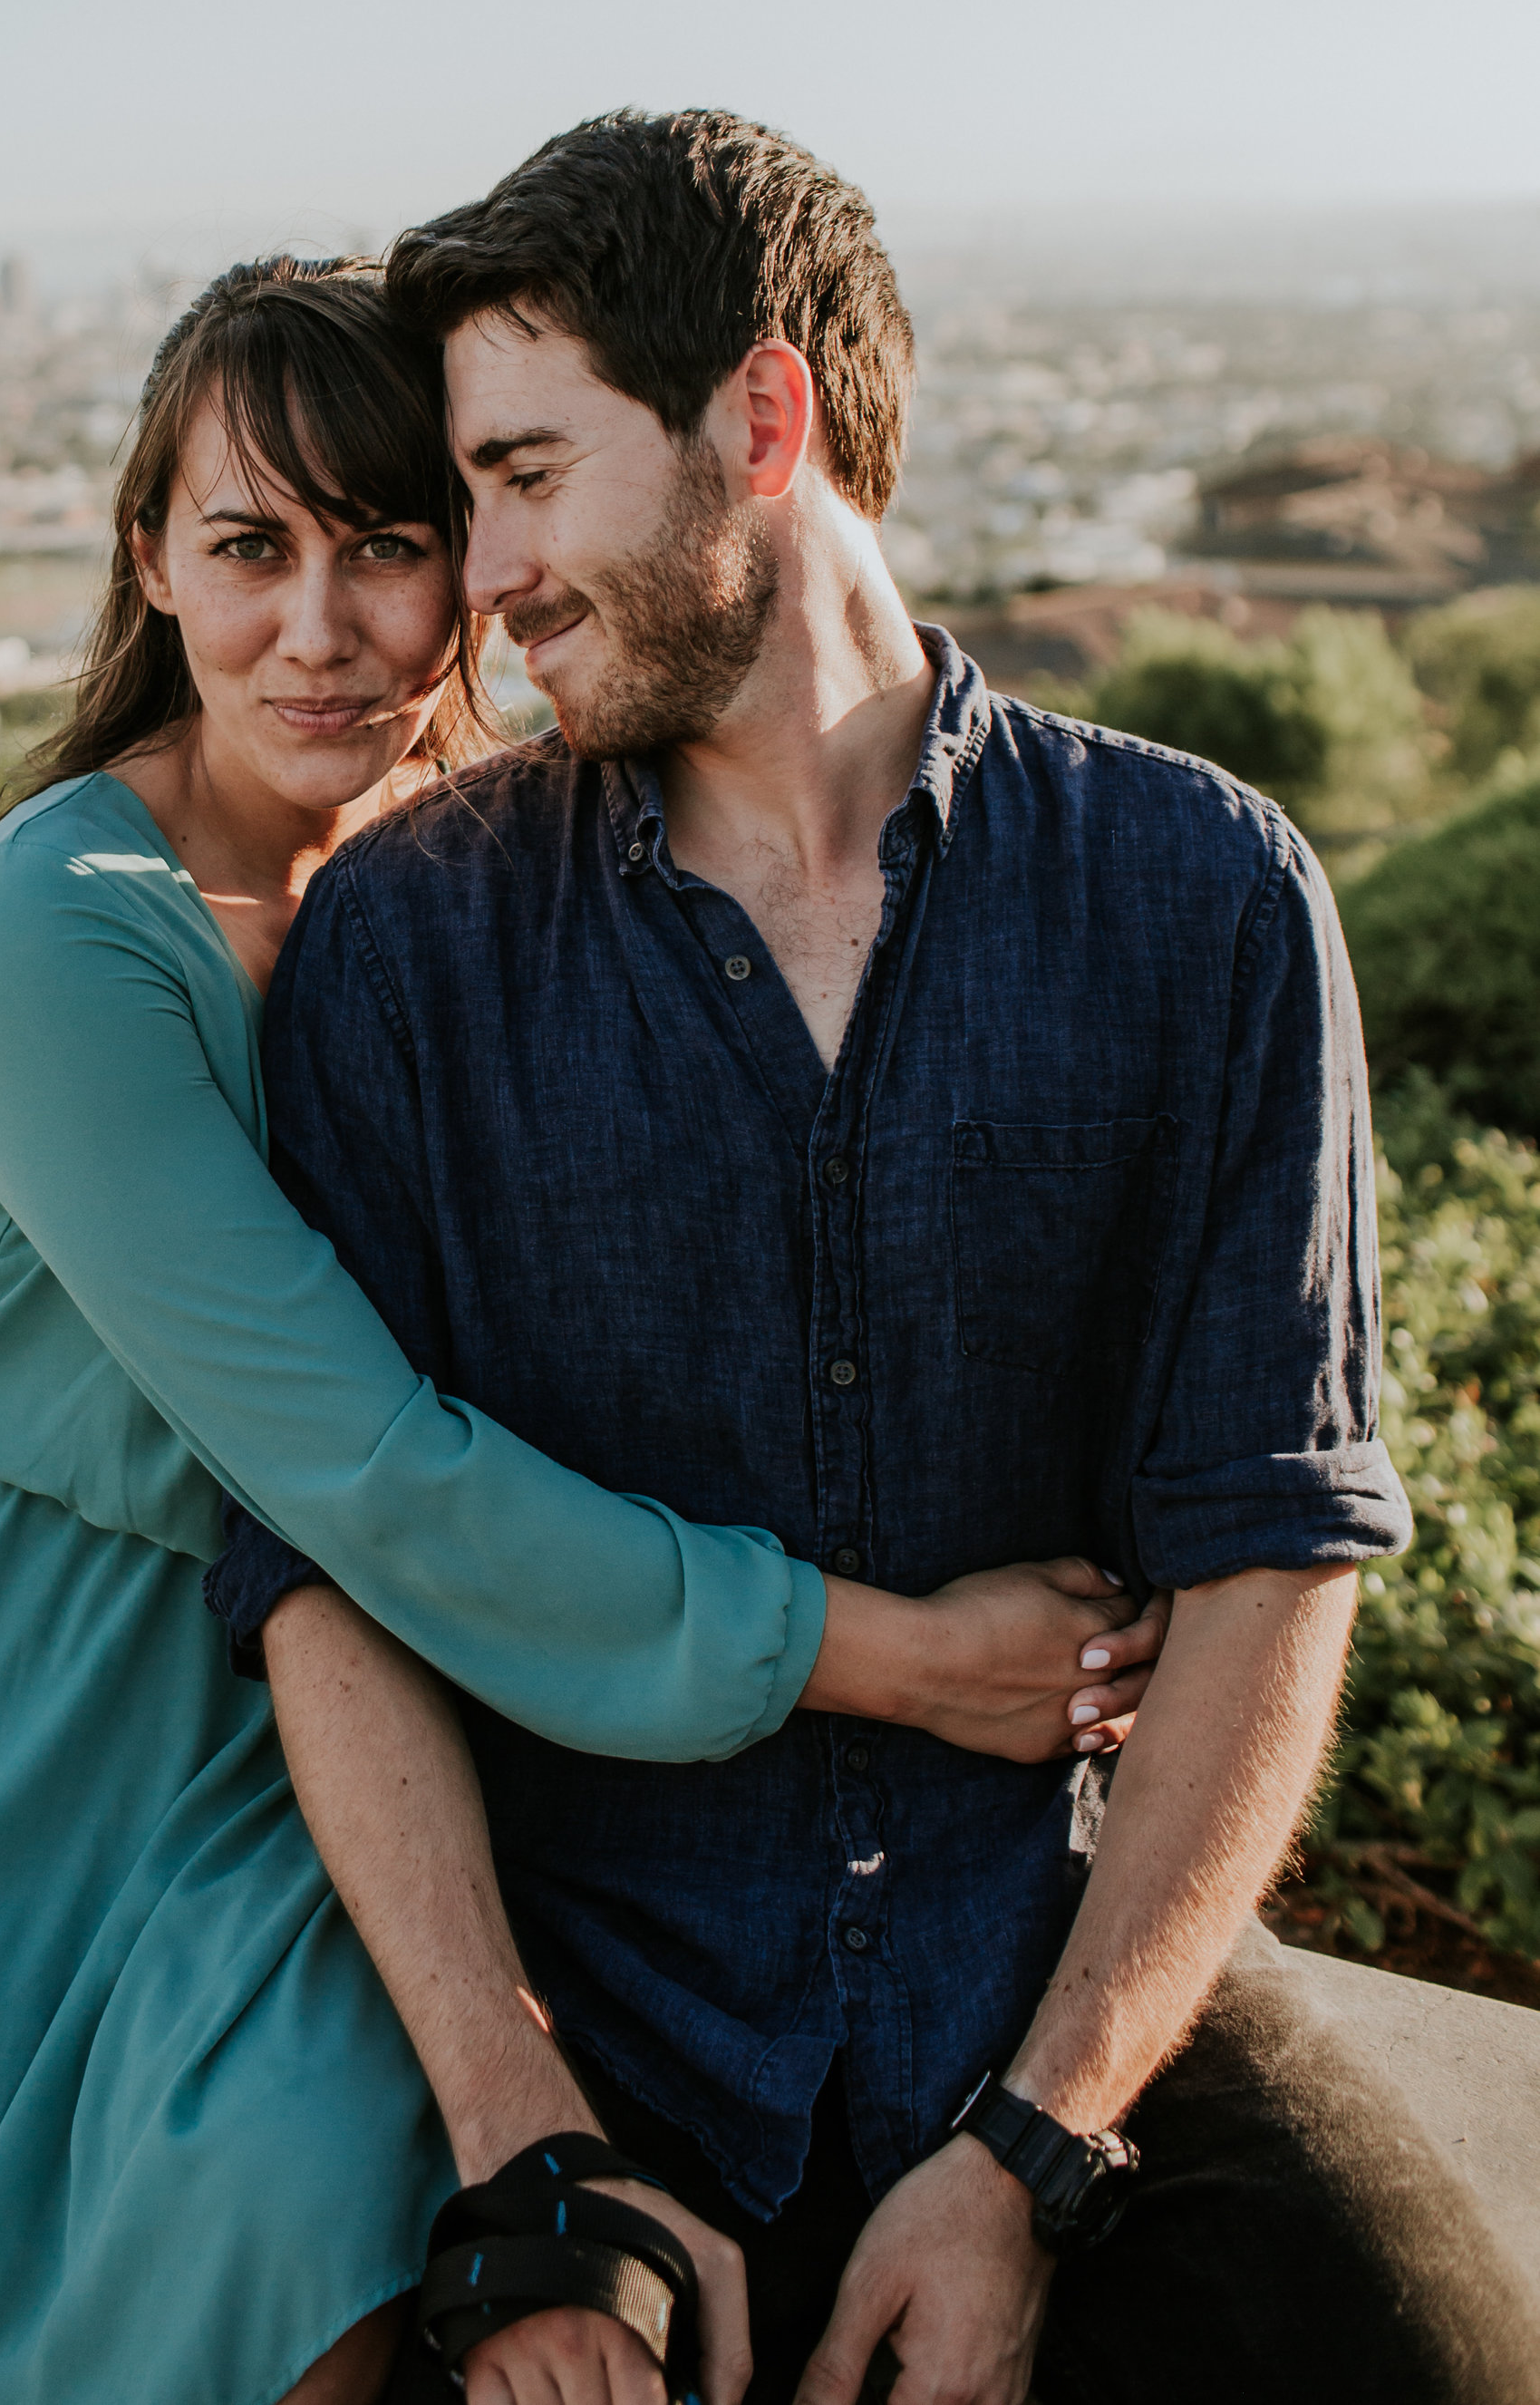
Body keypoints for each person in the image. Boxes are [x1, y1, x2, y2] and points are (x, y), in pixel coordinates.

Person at [0, 255, 1158, 2405]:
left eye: (387, 547)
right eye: (247, 547)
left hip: (336, 1722)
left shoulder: (467, 886)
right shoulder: (60, 935)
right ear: (149, 561)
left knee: (360, 2250)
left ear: (474, 569)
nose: (317, 629)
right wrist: (906, 1658)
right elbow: (368, 1471)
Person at [213, 116, 1540, 2405]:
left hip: (1039, 1967)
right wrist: (510, 2116)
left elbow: (1264, 1556)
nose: (489, 575)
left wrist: (1030, 2144)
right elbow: (318, 1573)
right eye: (473, 498)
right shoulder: (408, 950)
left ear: (760, 416)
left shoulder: (1197, 897)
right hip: (585, 2012)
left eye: (529, 474)